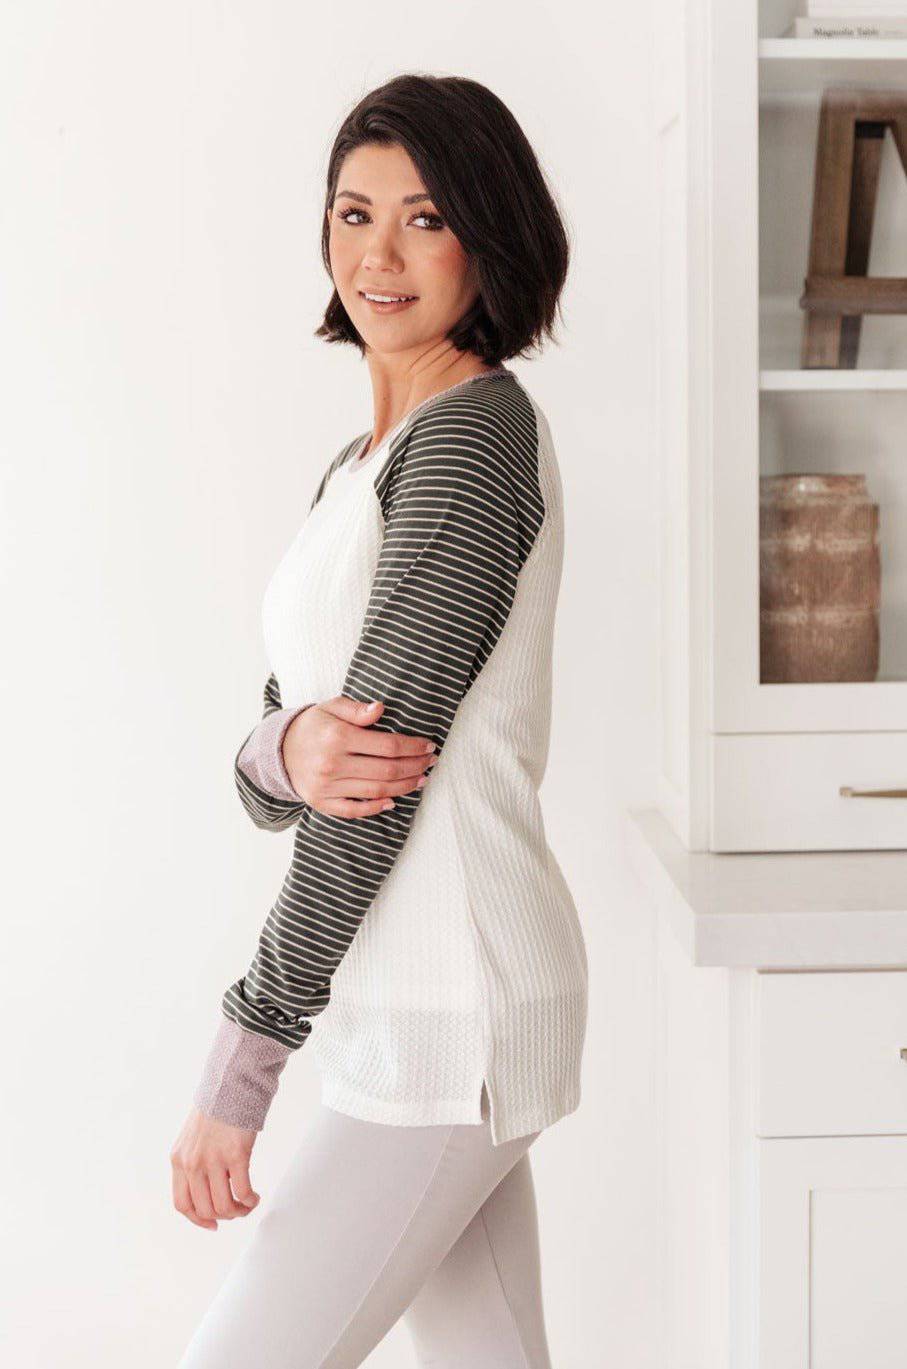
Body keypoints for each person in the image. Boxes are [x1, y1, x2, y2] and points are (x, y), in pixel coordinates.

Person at [172, 72, 588, 1369]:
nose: (380, 256)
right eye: (355, 215)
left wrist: (244, 1063)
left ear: (489, 234)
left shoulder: (471, 444)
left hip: (452, 999)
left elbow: (373, 786)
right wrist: (284, 747)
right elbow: (285, 750)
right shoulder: (361, 466)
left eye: (425, 218)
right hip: (416, 999)